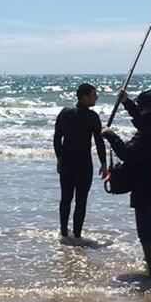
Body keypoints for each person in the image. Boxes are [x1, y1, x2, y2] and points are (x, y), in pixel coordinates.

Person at [102, 89, 151, 276]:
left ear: (146, 107)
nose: (139, 110)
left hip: (147, 187)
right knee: (149, 224)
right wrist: (126, 102)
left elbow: (127, 154)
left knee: (145, 231)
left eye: (140, 106)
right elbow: (142, 119)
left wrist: (111, 135)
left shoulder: (147, 132)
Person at [53, 83, 108, 241]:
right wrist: (103, 165)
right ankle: (77, 235)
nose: (96, 97)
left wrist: (59, 158)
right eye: (93, 95)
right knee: (81, 200)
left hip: (67, 162)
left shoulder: (65, 112)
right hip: (83, 163)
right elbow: (99, 141)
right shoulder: (92, 116)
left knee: (66, 198)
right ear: (84, 97)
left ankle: (63, 233)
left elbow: (57, 137)